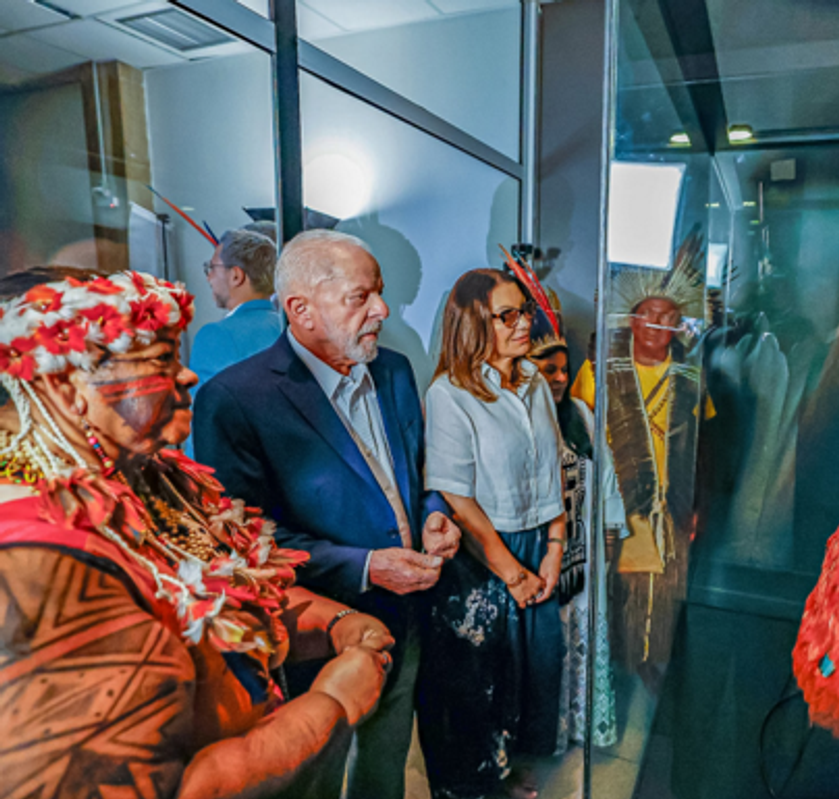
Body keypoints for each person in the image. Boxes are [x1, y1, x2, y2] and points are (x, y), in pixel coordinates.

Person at [0, 267, 392, 798]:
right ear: (65, 385)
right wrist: (334, 705)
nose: (186, 376)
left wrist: (335, 623)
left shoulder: (156, 478)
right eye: (160, 359)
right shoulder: (35, 556)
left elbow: (224, 606)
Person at [193, 230, 461, 799]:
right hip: (314, 635)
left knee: (384, 767)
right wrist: (366, 566)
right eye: (361, 297)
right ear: (301, 309)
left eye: (379, 292)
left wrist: (434, 514)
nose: (382, 309)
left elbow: (419, 471)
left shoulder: (394, 370)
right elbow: (245, 544)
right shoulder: (236, 400)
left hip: (408, 615)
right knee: (315, 780)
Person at [419, 269, 567, 799]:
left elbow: (555, 468)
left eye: (524, 311)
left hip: (537, 540)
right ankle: (479, 783)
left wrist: (554, 546)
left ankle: (510, 769)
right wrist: (511, 571)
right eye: (507, 315)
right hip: (484, 553)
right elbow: (457, 498)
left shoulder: (534, 381)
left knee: (536, 667)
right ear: (474, 324)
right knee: (480, 676)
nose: (524, 323)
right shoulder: (451, 393)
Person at [571, 235, 712, 674]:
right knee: (616, 594)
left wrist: (699, 504)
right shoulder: (599, 368)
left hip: (673, 505)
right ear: (632, 319)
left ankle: (655, 670)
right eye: (649, 314)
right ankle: (616, 670)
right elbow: (578, 435)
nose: (658, 324)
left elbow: (705, 444)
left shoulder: (691, 375)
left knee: (665, 593)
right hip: (616, 505)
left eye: (668, 316)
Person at [528, 335, 619, 752]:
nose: (562, 378)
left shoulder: (580, 412)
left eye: (565, 369)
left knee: (582, 629)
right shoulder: (520, 415)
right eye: (550, 370)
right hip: (542, 552)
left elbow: (606, 471)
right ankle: (546, 735)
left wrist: (611, 528)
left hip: (583, 545)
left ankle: (581, 725)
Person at [186, 229, 282, 457]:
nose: (209, 277)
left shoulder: (216, 336)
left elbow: (203, 427)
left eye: (212, 268)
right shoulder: (290, 328)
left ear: (236, 275)